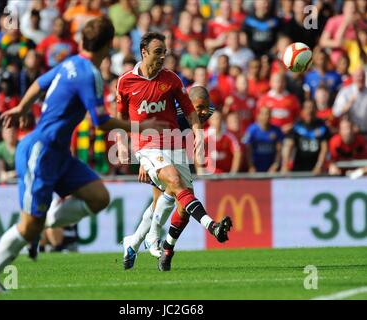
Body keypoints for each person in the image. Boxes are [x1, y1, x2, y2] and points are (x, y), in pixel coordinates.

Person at [0, 17, 165, 294]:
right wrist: (139, 126)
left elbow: (40, 82)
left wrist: (22, 108)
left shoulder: (70, 63)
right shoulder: (90, 74)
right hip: (40, 152)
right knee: (28, 227)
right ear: (109, 45)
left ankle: (48, 219)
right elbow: (99, 120)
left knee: (99, 197)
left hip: (59, 154)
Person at [117, 32, 232, 272]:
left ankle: (147, 244)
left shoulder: (172, 82)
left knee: (178, 200)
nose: (162, 57)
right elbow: (123, 117)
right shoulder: (126, 82)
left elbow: (191, 111)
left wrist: (198, 132)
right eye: (158, 52)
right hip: (146, 147)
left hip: (173, 146)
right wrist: (131, 151)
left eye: (165, 52)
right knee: (171, 185)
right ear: (144, 52)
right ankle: (208, 227)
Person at [127, 86, 215, 260]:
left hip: (177, 151)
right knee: (165, 198)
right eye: (199, 108)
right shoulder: (171, 112)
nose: (204, 112)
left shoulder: (208, 110)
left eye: (206, 106)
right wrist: (144, 163)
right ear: (188, 105)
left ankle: (133, 245)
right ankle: (150, 238)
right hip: (156, 151)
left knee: (174, 203)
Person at [243, 107, 283, 173]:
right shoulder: (252, 130)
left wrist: (275, 164)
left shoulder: (276, 130)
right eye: (263, 114)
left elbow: (279, 150)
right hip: (256, 167)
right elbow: (247, 150)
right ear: (259, 115)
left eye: (268, 114)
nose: (266, 116)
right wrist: (251, 166)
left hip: (271, 168)